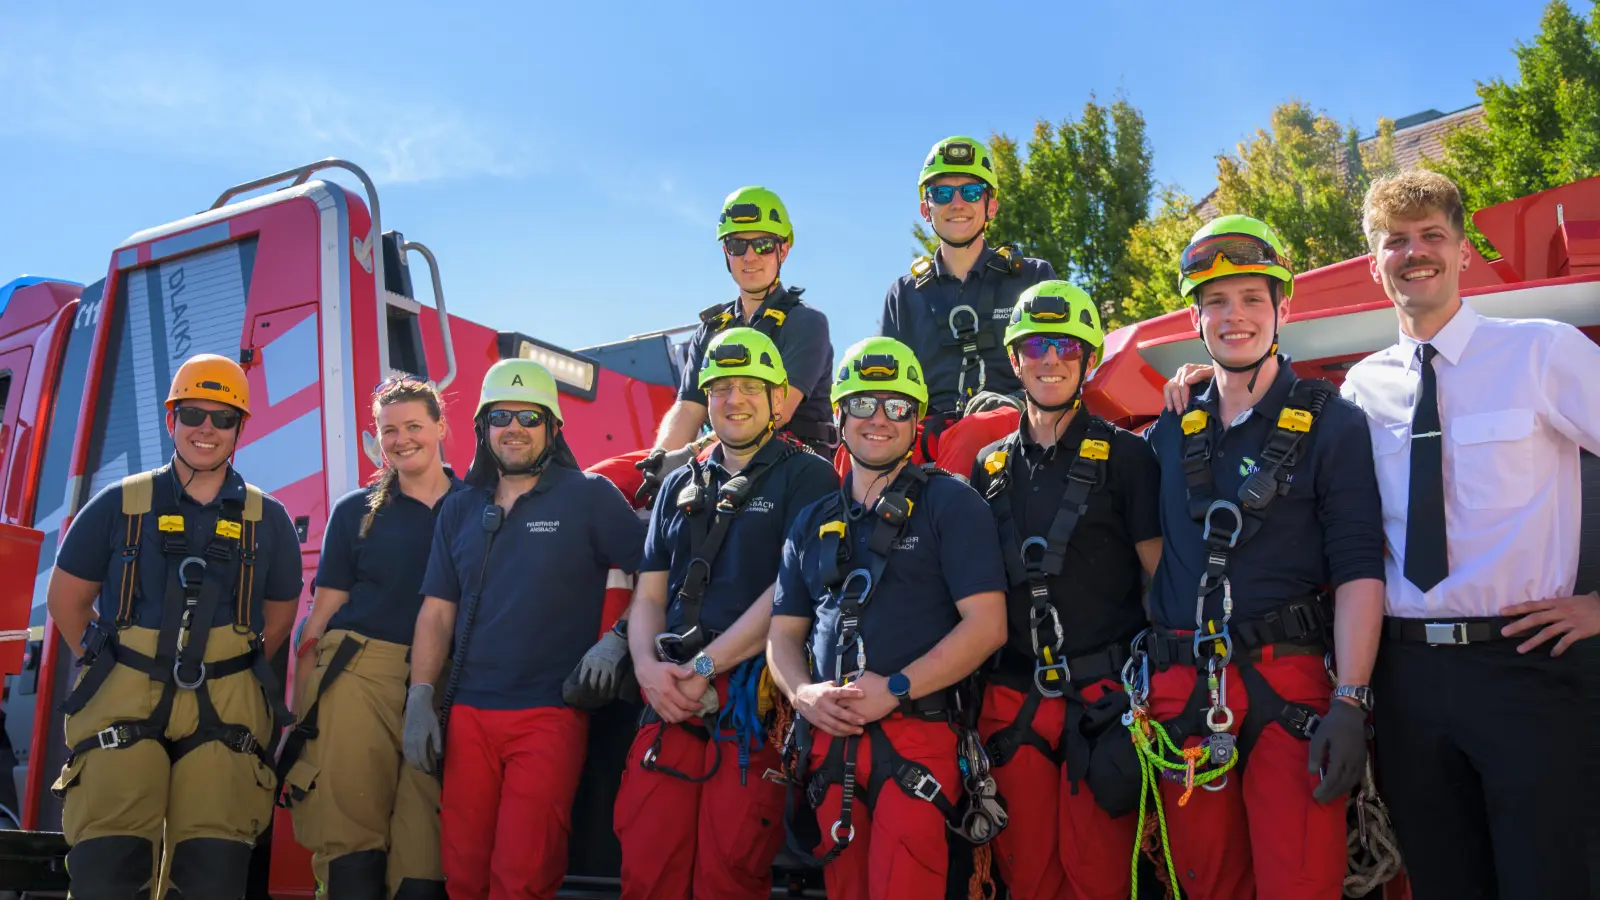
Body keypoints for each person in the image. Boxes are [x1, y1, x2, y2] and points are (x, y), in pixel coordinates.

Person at [1339, 171, 1600, 899]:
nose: (1414, 253)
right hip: (1408, 680)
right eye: (1396, 241)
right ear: (1373, 262)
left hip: (1525, 667)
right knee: (1444, 883)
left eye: (1432, 236)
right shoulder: (1360, 389)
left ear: (1462, 252)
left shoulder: (1545, 351)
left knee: (1547, 883)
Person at [1134, 215, 1386, 899]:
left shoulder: (1334, 423)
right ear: (1195, 315)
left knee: (1299, 881)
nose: (1234, 316)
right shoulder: (1169, 429)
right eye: (1216, 301)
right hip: (1185, 690)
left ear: (1283, 306)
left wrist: (1351, 701)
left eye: (1251, 298)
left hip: (1291, 687)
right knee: (1204, 883)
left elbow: (1361, 567)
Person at [45, 353, 303, 899]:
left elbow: (279, 619)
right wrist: (103, 658)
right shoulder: (118, 504)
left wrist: (226, 665)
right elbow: (66, 598)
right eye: (192, 414)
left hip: (225, 706)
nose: (206, 429)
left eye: (223, 417)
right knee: (109, 870)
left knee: (212, 873)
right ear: (171, 420)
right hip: (124, 698)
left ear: (240, 429)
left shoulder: (269, 519)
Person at [768, 336, 1008, 900]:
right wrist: (802, 695)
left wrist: (897, 688)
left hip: (916, 736)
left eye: (898, 407)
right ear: (839, 414)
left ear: (917, 418)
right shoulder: (812, 521)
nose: (880, 419)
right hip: (828, 739)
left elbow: (987, 625)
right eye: (863, 404)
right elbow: (783, 634)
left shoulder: (953, 504)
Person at [404, 359, 645, 899]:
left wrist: (618, 640)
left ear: (553, 428)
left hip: (549, 715)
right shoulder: (459, 508)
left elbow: (658, 574)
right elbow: (437, 611)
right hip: (467, 717)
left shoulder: (590, 496)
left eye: (530, 417)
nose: (514, 427)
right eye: (501, 416)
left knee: (522, 877)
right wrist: (421, 697)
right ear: (483, 429)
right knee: (463, 875)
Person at [612, 328, 839, 899]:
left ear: (776, 398)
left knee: (729, 873)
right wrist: (644, 667)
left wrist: (708, 667)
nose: (733, 399)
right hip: (667, 696)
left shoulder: (808, 476)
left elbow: (790, 593)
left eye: (749, 387)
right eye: (720, 388)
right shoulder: (678, 483)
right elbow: (649, 596)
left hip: (749, 704)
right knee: (647, 866)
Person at [968, 282, 1163, 900]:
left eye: (1065, 346)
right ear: (1015, 358)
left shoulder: (1129, 458)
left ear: (1085, 358)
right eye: (1035, 346)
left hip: (1104, 703)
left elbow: (1160, 578)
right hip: (1014, 700)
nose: (1050, 358)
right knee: (1025, 877)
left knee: (1102, 876)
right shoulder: (988, 466)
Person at [277, 376, 465, 899]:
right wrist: (303, 714)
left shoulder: (476, 506)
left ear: (441, 428)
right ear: (376, 438)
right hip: (358, 675)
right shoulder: (355, 510)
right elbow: (321, 618)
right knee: (350, 847)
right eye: (388, 431)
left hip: (446, 682)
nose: (402, 439)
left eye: (413, 426)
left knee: (424, 857)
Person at [636, 187, 835, 505]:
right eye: (736, 244)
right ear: (725, 252)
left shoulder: (806, 323)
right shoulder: (712, 330)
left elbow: (775, 414)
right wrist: (659, 460)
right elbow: (689, 407)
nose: (750, 256)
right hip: (716, 455)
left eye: (763, 244)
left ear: (783, 250)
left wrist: (689, 454)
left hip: (787, 456)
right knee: (608, 478)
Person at [878, 136, 1056, 463]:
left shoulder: (1032, 278)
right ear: (925, 209)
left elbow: (1058, 362)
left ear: (991, 206)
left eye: (971, 192)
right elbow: (889, 388)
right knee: (859, 442)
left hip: (1014, 423)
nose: (956, 203)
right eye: (942, 193)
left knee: (970, 434)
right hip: (927, 430)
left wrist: (1016, 401)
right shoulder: (903, 294)